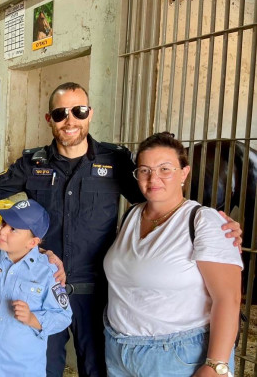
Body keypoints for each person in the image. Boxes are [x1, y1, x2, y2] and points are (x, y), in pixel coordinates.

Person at [0, 82, 242, 377]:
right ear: (50, 119)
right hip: (43, 288)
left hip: (99, 294)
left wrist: (213, 225)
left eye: (79, 110)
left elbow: (158, 197)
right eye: (60, 113)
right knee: (41, 369)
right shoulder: (31, 164)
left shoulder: (115, 161)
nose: (70, 120)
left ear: (90, 114)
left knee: (97, 369)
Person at [104, 132, 242, 377]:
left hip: (178, 356)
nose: (153, 178)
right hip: (120, 352)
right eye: (144, 170)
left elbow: (228, 298)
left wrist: (215, 366)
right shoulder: (131, 215)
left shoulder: (204, 222)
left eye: (165, 168)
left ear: (184, 173)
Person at [0, 199, 72, 377]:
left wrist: (33, 319)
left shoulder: (48, 271)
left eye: (13, 229)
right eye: (3, 224)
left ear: (33, 242)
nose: (2, 231)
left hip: (21, 369)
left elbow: (63, 316)